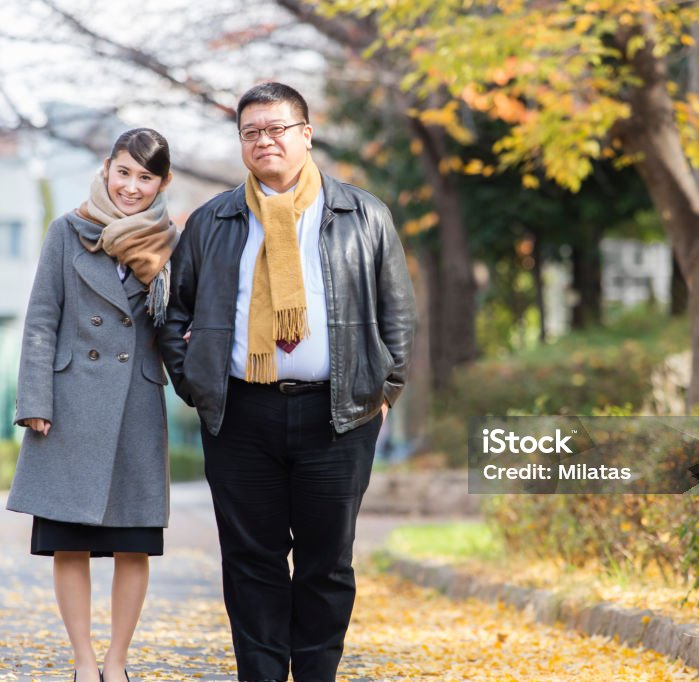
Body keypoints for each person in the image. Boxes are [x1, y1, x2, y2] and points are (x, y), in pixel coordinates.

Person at [158, 82, 416, 682]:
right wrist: (195, 384)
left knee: (329, 564)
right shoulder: (213, 220)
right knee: (252, 563)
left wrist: (384, 394)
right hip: (241, 416)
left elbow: (397, 314)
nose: (264, 140)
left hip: (339, 415)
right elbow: (176, 313)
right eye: (252, 132)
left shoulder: (364, 214)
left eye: (277, 128)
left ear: (306, 134)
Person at [7, 128, 177, 682]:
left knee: (134, 543)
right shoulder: (67, 231)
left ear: (162, 183)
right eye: (124, 171)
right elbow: (40, 320)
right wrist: (35, 397)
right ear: (107, 168)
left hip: (135, 405)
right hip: (71, 403)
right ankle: (83, 661)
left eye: (145, 177)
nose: (131, 186)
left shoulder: (170, 243)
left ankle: (117, 661)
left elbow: (181, 326)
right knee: (68, 544)